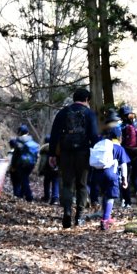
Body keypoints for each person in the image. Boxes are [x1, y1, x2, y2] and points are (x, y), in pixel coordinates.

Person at [47, 87, 99, 229]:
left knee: (67, 184)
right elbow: (94, 136)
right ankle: (80, 216)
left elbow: (54, 134)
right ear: (87, 100)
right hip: (83, 153)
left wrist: (52, 154)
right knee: (81, 184)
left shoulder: (63, 112)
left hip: (65, 153)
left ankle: (67, 213)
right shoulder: (89, 114)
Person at [90, 116, 130, 231]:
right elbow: (123, 165)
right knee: (110, 196)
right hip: (110, 174)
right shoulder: (119, 148)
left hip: (97, 174)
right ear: (119, 136)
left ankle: (105, 214)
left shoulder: (101, 144)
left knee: (104, 194)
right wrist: (124, 179)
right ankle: (105, 219)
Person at [8, 125, 39, 202]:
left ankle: (29, 196)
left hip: (22, 163)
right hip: (31, 163)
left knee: (24, 179)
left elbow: (15, 155)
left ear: (20, 132)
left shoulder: (19, 142)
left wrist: (13, 166)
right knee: (24, 178)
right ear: (27, 132)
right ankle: (21, 195)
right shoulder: (32, 141)